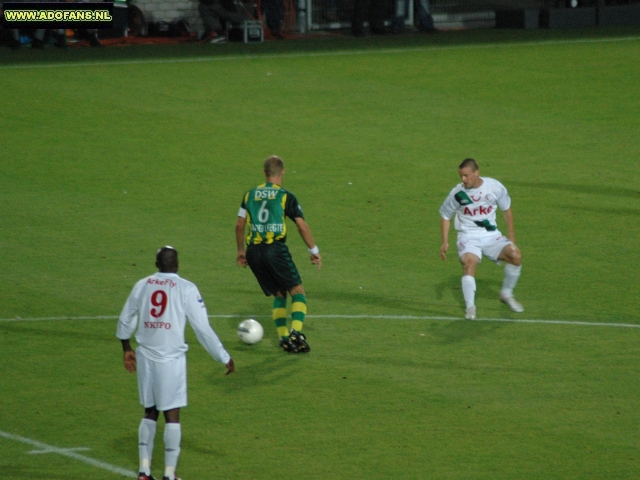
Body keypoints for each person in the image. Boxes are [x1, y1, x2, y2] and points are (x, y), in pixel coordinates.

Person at [117, 246, 234, 480]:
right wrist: (223, 356)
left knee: (149, 411)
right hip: (171, 360)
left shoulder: (142, 285)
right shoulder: (186, 288)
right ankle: (169, 474)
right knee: (172, 415)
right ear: (177, 264)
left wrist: (127, 348)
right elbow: (202, 329)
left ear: (156, 263)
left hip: (146, 356)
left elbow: (126, 316)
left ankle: (143, 471)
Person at [235, 155, 321, 353]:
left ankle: (284, 338)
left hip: (254, 252)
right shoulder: (285, 196)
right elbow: (301, 225)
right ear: (282, 172)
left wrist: (241, 251)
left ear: (265, 174)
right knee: (297, 292)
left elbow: (239, 224)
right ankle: (295, 333)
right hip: (275, 249)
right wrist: (313, 250)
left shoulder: (249, 195)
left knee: (278, 293)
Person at [439, 158, 524, 320]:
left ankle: (506, 294)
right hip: (468, 236)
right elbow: (445, 216)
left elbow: (506, 209)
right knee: (469, 263)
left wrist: (511, 236)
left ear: (477, 173)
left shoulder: (494, 187)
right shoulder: (458, 193)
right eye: (461, 176)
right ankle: (470, 307)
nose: (463, 180)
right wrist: (445, 241)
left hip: (491, 235)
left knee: (516, 256)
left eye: (467, 175)